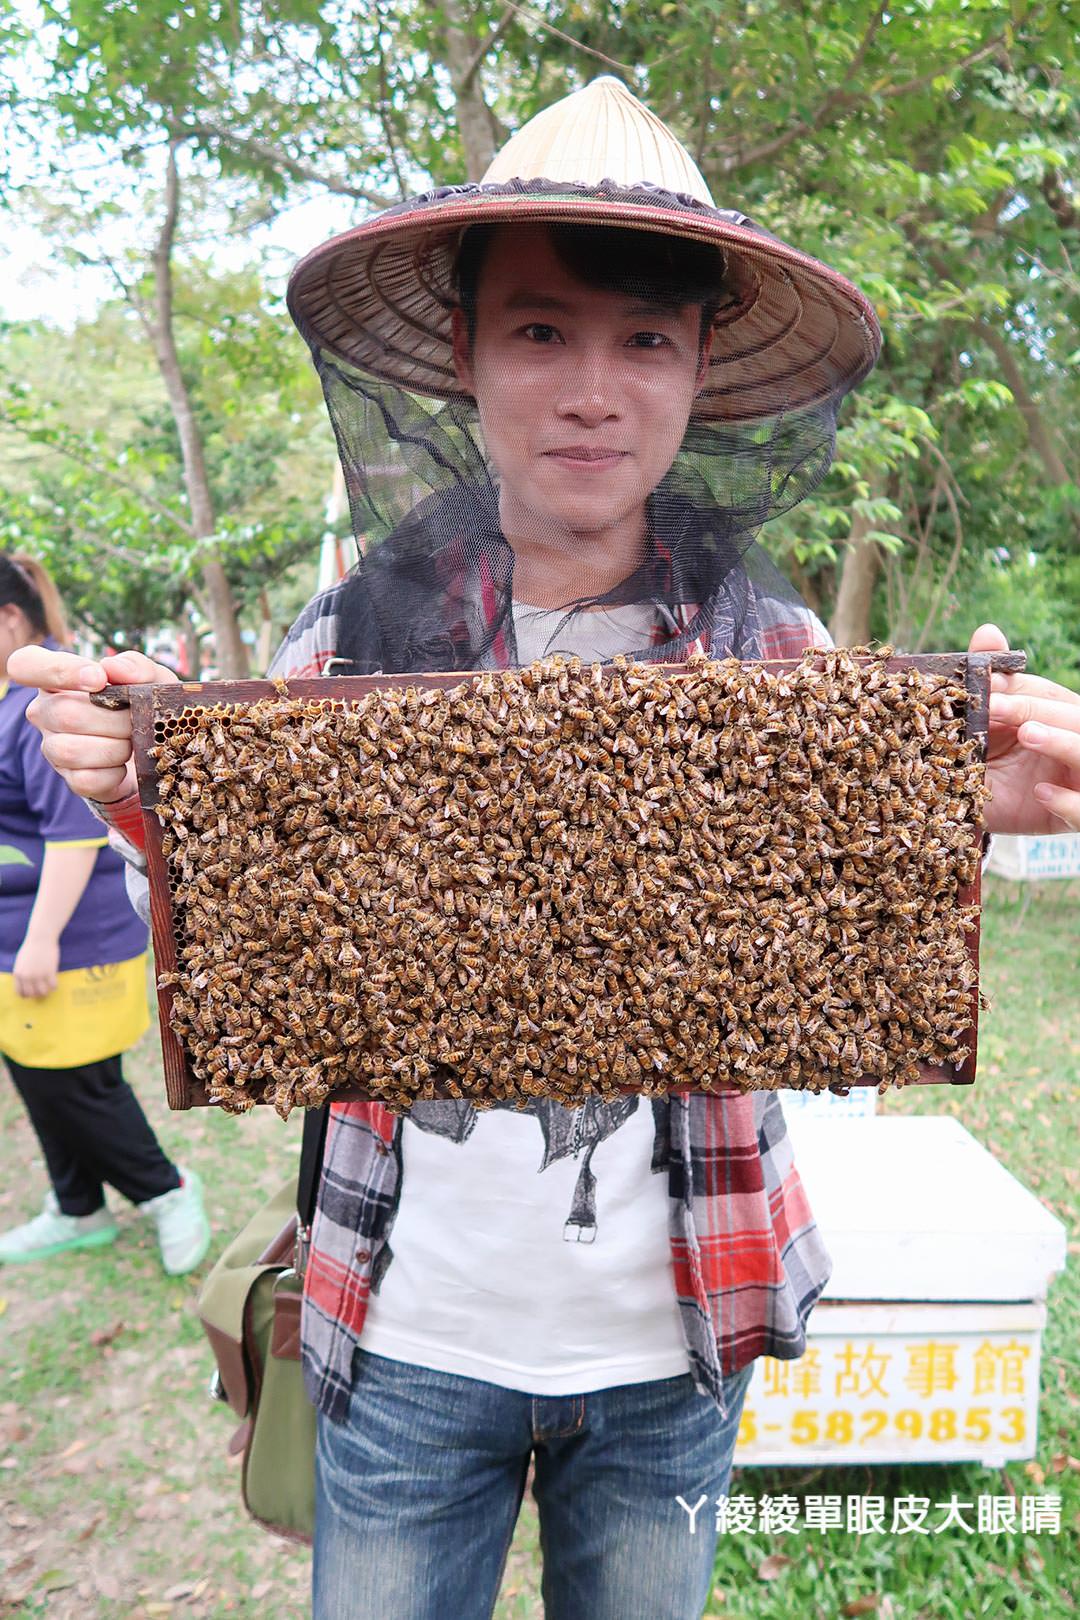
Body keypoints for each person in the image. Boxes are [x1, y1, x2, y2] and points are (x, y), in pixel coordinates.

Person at [10, 78, 1080, 1620]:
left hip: (678, 1337)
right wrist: (137, 774)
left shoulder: (771, 648)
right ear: (462, 353)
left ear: (702, 365)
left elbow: (825, 949)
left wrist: (954, 813)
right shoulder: (349, 634)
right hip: (403, 1327)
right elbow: (254, 903)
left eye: (645, 337)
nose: (593, 388)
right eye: (540, 330)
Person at [0, 554, 210, 1275]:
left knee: (80, 1088)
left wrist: (39, 943)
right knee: (37, 1079)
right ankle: (76, 1205)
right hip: (20, 939)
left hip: (67, 940)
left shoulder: (63, 699)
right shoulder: (12, 697)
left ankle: (169, 1190)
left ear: (8, 619)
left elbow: (73, 833)